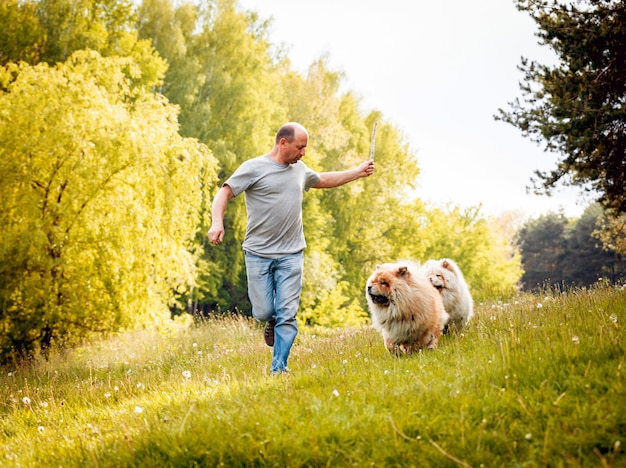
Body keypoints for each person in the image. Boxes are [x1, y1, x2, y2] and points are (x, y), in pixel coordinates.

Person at [208, 122, 375, 375]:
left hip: (291, 253)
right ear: (283, 143)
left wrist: (358, 172)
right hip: (258, 253)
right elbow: (224, 194)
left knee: (288, 313)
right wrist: (217, 222)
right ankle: (270, 321)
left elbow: (324, 179)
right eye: (300, 147)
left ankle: (279, 369)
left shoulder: (300, 170)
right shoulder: (254, 168)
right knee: (264, 311)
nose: (303, 153)